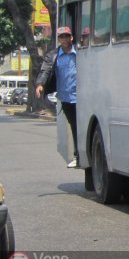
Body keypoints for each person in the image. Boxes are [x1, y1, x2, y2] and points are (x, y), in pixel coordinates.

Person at [35, 26, 79, 168]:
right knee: (74, 125)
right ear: (59, 39)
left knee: (81, 126)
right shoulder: (53, 55)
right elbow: (45, 70)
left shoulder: (79, 52)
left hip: (82, 96)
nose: (64, 39)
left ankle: (80, 154)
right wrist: (40, 84)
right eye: (61, 37)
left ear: (71, 37)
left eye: (67, 36)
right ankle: (78, 155)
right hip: (66, 97)